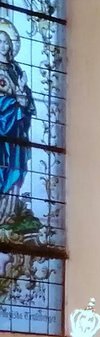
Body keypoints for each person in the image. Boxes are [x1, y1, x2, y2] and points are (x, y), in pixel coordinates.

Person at [0, 26, 34, 224]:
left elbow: (27, 101)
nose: (4, 46)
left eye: (7, 42)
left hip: (17, 130)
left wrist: (23, 98)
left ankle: (9, 211)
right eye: (0, 42)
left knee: (16, 167)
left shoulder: (16, 70)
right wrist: (13, 103)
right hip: (3, 125)